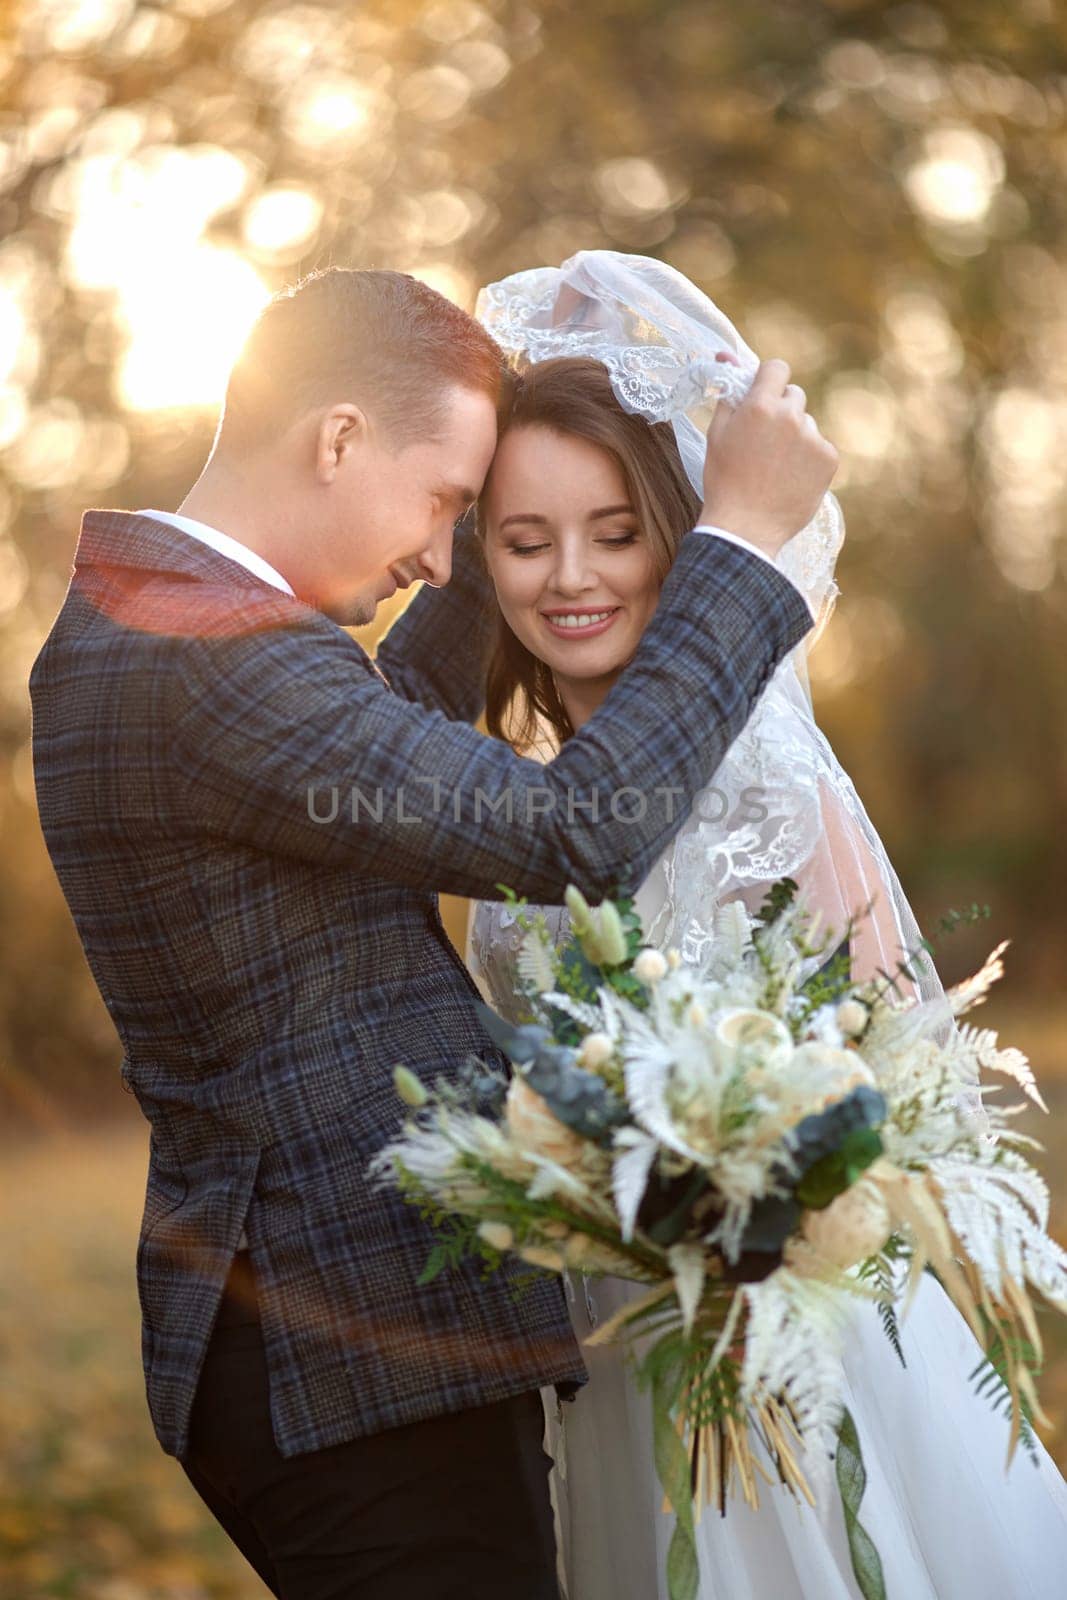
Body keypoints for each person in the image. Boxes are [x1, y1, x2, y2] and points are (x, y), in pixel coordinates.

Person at [28, 264, 835, 1599]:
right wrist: (739, 538)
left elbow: (372, 742)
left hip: (322, 1346)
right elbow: (569, 833)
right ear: (338, 438)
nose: (439, 557)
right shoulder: (211, 656)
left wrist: (525, 412)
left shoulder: (171, 618)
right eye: (451, 504)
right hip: (351, 1364)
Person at [465, 254, 1067, 1600]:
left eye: (616, 532)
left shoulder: (770, 776)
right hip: (621, 1356)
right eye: (524, 540)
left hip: (804, 1345)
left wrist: (759, 1207)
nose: (570, 577)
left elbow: (905, 1086)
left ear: (684, 538)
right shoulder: (504, 806)